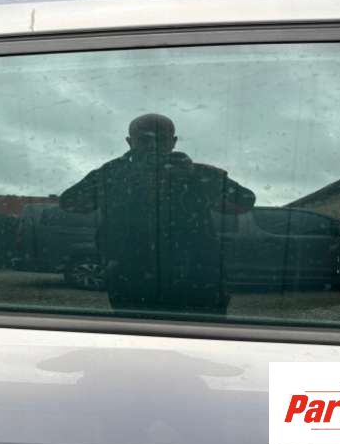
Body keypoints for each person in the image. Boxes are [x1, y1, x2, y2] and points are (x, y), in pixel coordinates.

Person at [60, 113, 255, 317]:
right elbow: (70, 202)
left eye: (160, 139)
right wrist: (120, 173)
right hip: (135, 278)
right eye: (144, 139)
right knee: (140, 334)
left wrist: (193, 176)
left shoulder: (199, 173)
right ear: (129, 142)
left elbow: (245, 201)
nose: (152, 146)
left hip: (195, 278)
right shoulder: (111, 174)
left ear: (173, 142)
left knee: (197, 334)